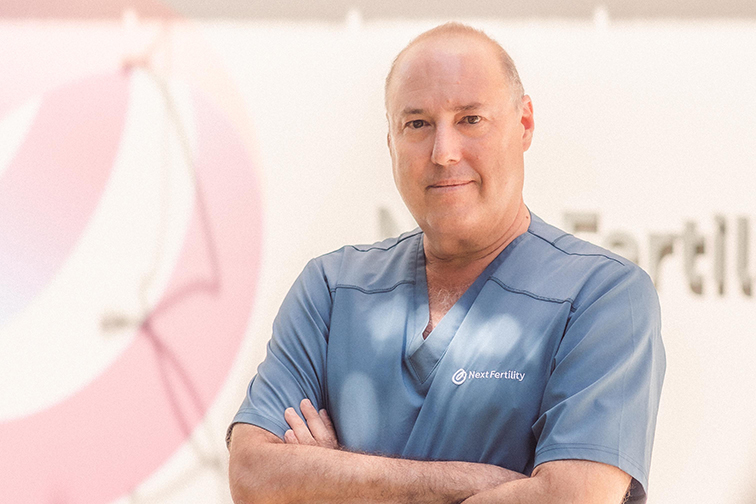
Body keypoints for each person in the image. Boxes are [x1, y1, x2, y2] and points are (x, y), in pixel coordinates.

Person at [227, 22, 665, 504]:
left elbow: (569, 499)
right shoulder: (332, 290)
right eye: (417, 124)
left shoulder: (602, 297)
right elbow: (253, 475)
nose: (444, 153)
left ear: (524, 124)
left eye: (470, 119)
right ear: (390, 142)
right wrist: (480, 483)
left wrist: (332, 479)